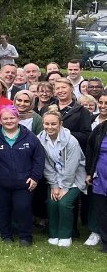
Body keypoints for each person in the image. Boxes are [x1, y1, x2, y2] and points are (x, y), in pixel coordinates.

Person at [0, 108, 44, 245]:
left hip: (24, 182)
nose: (9, 121)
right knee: (2, 208)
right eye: (5, 119)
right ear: (0, 121)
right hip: (0, 182)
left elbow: (39, 159)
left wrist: (35, 177)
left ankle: (25, 237)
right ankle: (5, 235)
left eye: (12, 118)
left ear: (18, 119)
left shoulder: (30, 137)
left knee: (23, 207)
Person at [43, 106, 88, 248]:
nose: (50, 127)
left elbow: (72, 166)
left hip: (74, 178)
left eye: (53, 124)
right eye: (47, 124)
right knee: (52, 202)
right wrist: (54, 185)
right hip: (55, 178)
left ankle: (65, 235)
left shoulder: (71, 141)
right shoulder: (41, 139)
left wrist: (65, 187)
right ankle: (54, 234)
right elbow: (46, 165)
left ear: (60, 124)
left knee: (64, 203)